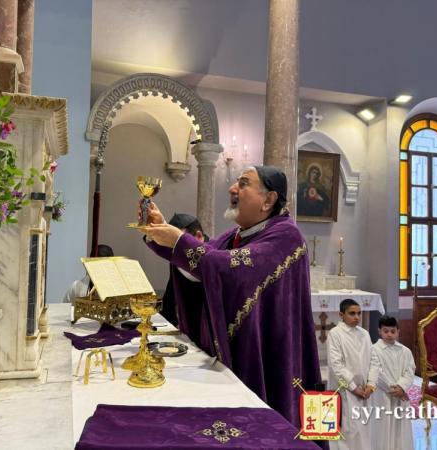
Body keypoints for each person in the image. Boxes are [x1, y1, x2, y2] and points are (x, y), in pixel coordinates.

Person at [140, 165, 321, 428]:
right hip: (240, 348)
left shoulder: (287, 235)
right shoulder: (235, 235)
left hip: (270, 351)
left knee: (266, 429)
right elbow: (203, 264)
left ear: (268, 200)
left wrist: (178, 239)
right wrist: (160, 233)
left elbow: (229, 268)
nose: (232, 188)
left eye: (244, 183)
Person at [327, 298, 380, 450]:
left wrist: (371, 384)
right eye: (352, 313)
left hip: (365, 390)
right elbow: (336, 365)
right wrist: (354, 387)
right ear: (341, 315)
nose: (357, 317)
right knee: (348, 430)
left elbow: (374, 360)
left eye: (359, 313)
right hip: (346, 390)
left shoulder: (364, 334)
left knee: (364, 429)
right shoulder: (335, 334)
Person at [371, 315, 415, 450]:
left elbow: (410, 371)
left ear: (398, 332)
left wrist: (402, 387)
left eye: (393, 331)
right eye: (386, 331)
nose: (389, 334)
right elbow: (376, 372)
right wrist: (394, 390)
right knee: (383, 426)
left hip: (400, 395)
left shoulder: (405, 351)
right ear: (379, 331)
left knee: (400, 426)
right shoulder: (374, 350)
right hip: (382, 395)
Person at [160, 213, 206, 335]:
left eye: (179, 243)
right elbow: (172, 289)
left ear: (198, 236)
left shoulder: (214, 255)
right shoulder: (177, 253)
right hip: (186, 325)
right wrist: (167, 322)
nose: (175, 250)